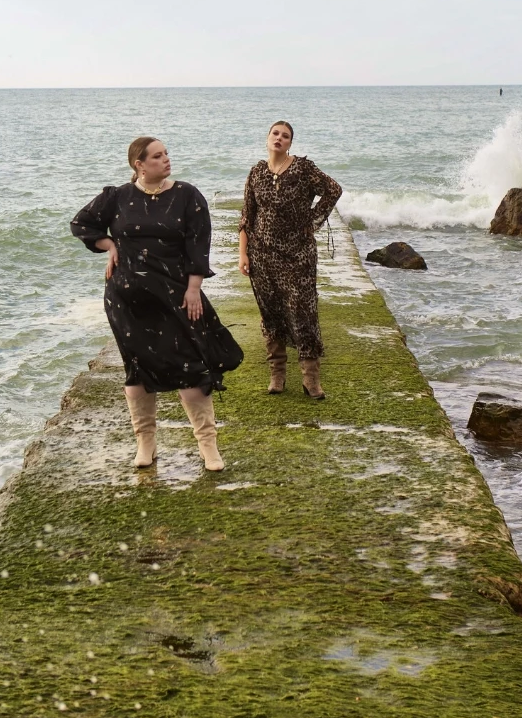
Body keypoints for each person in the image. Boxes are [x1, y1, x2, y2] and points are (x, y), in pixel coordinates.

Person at [71, 137, 243, 471]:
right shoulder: (117, 196)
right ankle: (145, 443)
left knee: (191, 367)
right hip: (127, 300)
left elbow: (199, 243)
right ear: (139, 164)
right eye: (157, 156)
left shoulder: (187, 195)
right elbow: (81, 224)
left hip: (176, 294)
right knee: (137, 370)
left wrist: (194, 288)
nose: (166, 159)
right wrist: (110, 245)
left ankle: (208, 446)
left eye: (166, 154)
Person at [238, 121, 342, 400]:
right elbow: (247, 216)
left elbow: (333, 190)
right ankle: (277, 374)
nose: (279, 138)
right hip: (262, 255)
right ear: (267, 138)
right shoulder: (257, 172)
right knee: (270, 312)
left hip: (298, 255)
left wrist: (312, 220)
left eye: (285, 136)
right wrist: (243, 253)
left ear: (290, 143)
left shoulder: (303, 169)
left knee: (303, 313)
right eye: (275, 133)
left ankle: (311, 378)